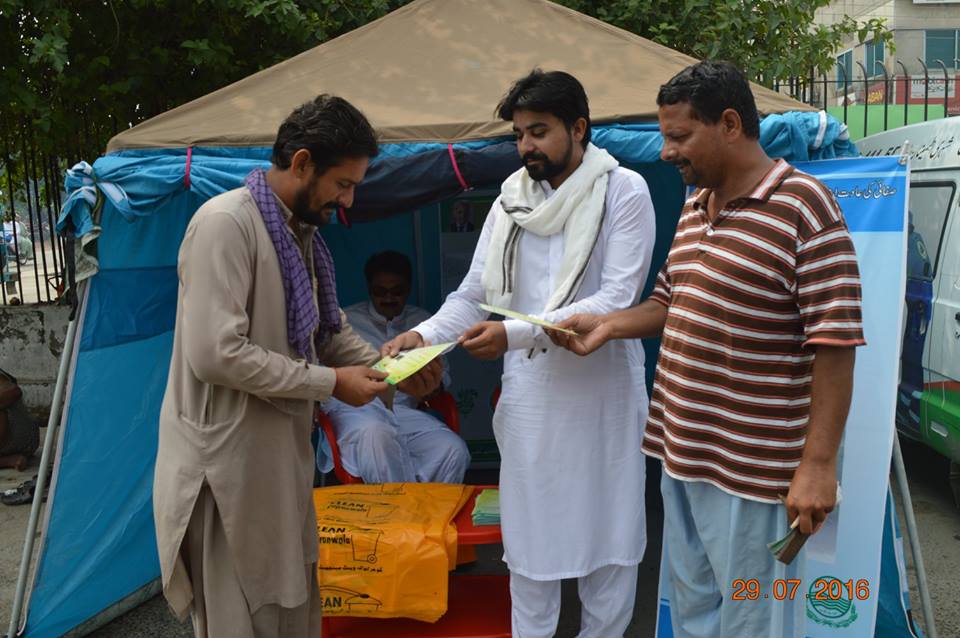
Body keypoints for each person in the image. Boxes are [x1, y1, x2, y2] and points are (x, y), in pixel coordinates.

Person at [550, 61, 865, 638]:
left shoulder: (805, 206)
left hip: (755, 473)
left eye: (678, 136)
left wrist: (817, 465)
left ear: (728, 124)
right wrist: (606, 325)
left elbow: (836, 342)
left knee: (754, 622)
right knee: (696, 617)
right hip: (683, 456)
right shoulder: (696, 207)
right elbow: (669, 301)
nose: (666, 151)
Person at [152, 95, 441, 638]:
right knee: (241, 617)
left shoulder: (296, 234)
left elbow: (323, 334)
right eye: (343, 184)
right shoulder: (226, 225)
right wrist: (331, 383)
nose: (349, 201)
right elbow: (216, 354)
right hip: (227, 468)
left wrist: (394, 369)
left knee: (292, 609)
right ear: (303, 162)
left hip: (279, 461)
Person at [384, 69, 656, 638]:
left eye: (539, 131)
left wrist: (512, 334)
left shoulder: (623, 190)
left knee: (609, 543)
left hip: (603, 395)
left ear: (578, 128)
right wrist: (426, 335)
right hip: (533, 399)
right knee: (531, 547)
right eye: (519, 135)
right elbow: (473, 293)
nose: (526, 146)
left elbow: (616, 298)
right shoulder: (510, 201)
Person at [318, 250, 470, 483]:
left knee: (451, 450)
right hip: (355, 410)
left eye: (396, 291)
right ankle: (395, 515)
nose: (388, 298)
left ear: (408, 289)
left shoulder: (423, 323)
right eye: (380, 291)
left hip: (403, 412)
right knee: (378, 436)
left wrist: (428, 384)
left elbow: (440, 382)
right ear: (370, 290)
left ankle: (431, 514)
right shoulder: (346, 320)